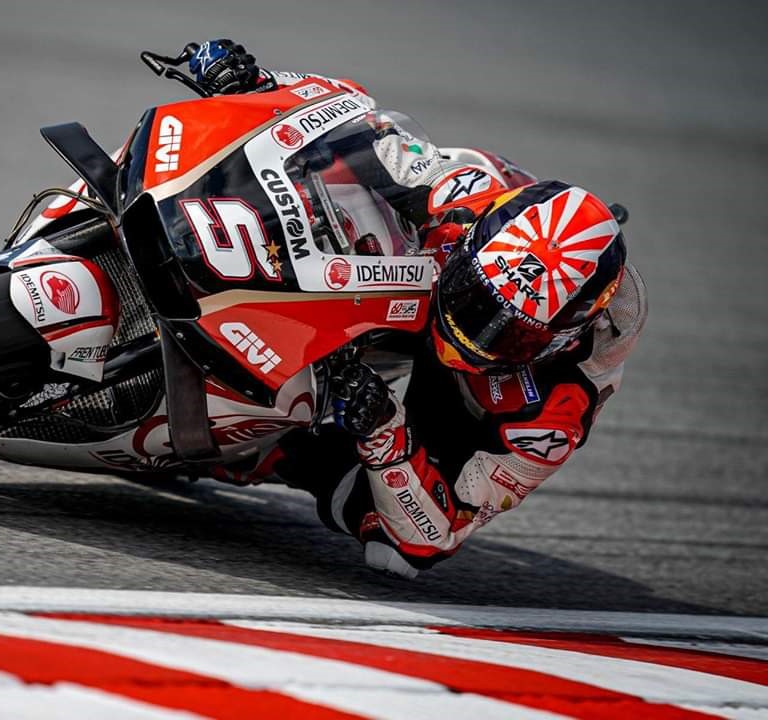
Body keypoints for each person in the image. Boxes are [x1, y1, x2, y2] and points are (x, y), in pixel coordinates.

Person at [189, 40, 648, 578]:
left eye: (512, 334)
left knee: (396, 550)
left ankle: (268, 452)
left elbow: (438, 534)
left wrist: (385, 433)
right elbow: (352, 123)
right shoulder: (463, 192)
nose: (475, 335)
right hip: (428, 275)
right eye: (478, 303)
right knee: (333, 182)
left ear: (565, 336)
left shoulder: (557, 407)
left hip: (470, 390)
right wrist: (257, 85)